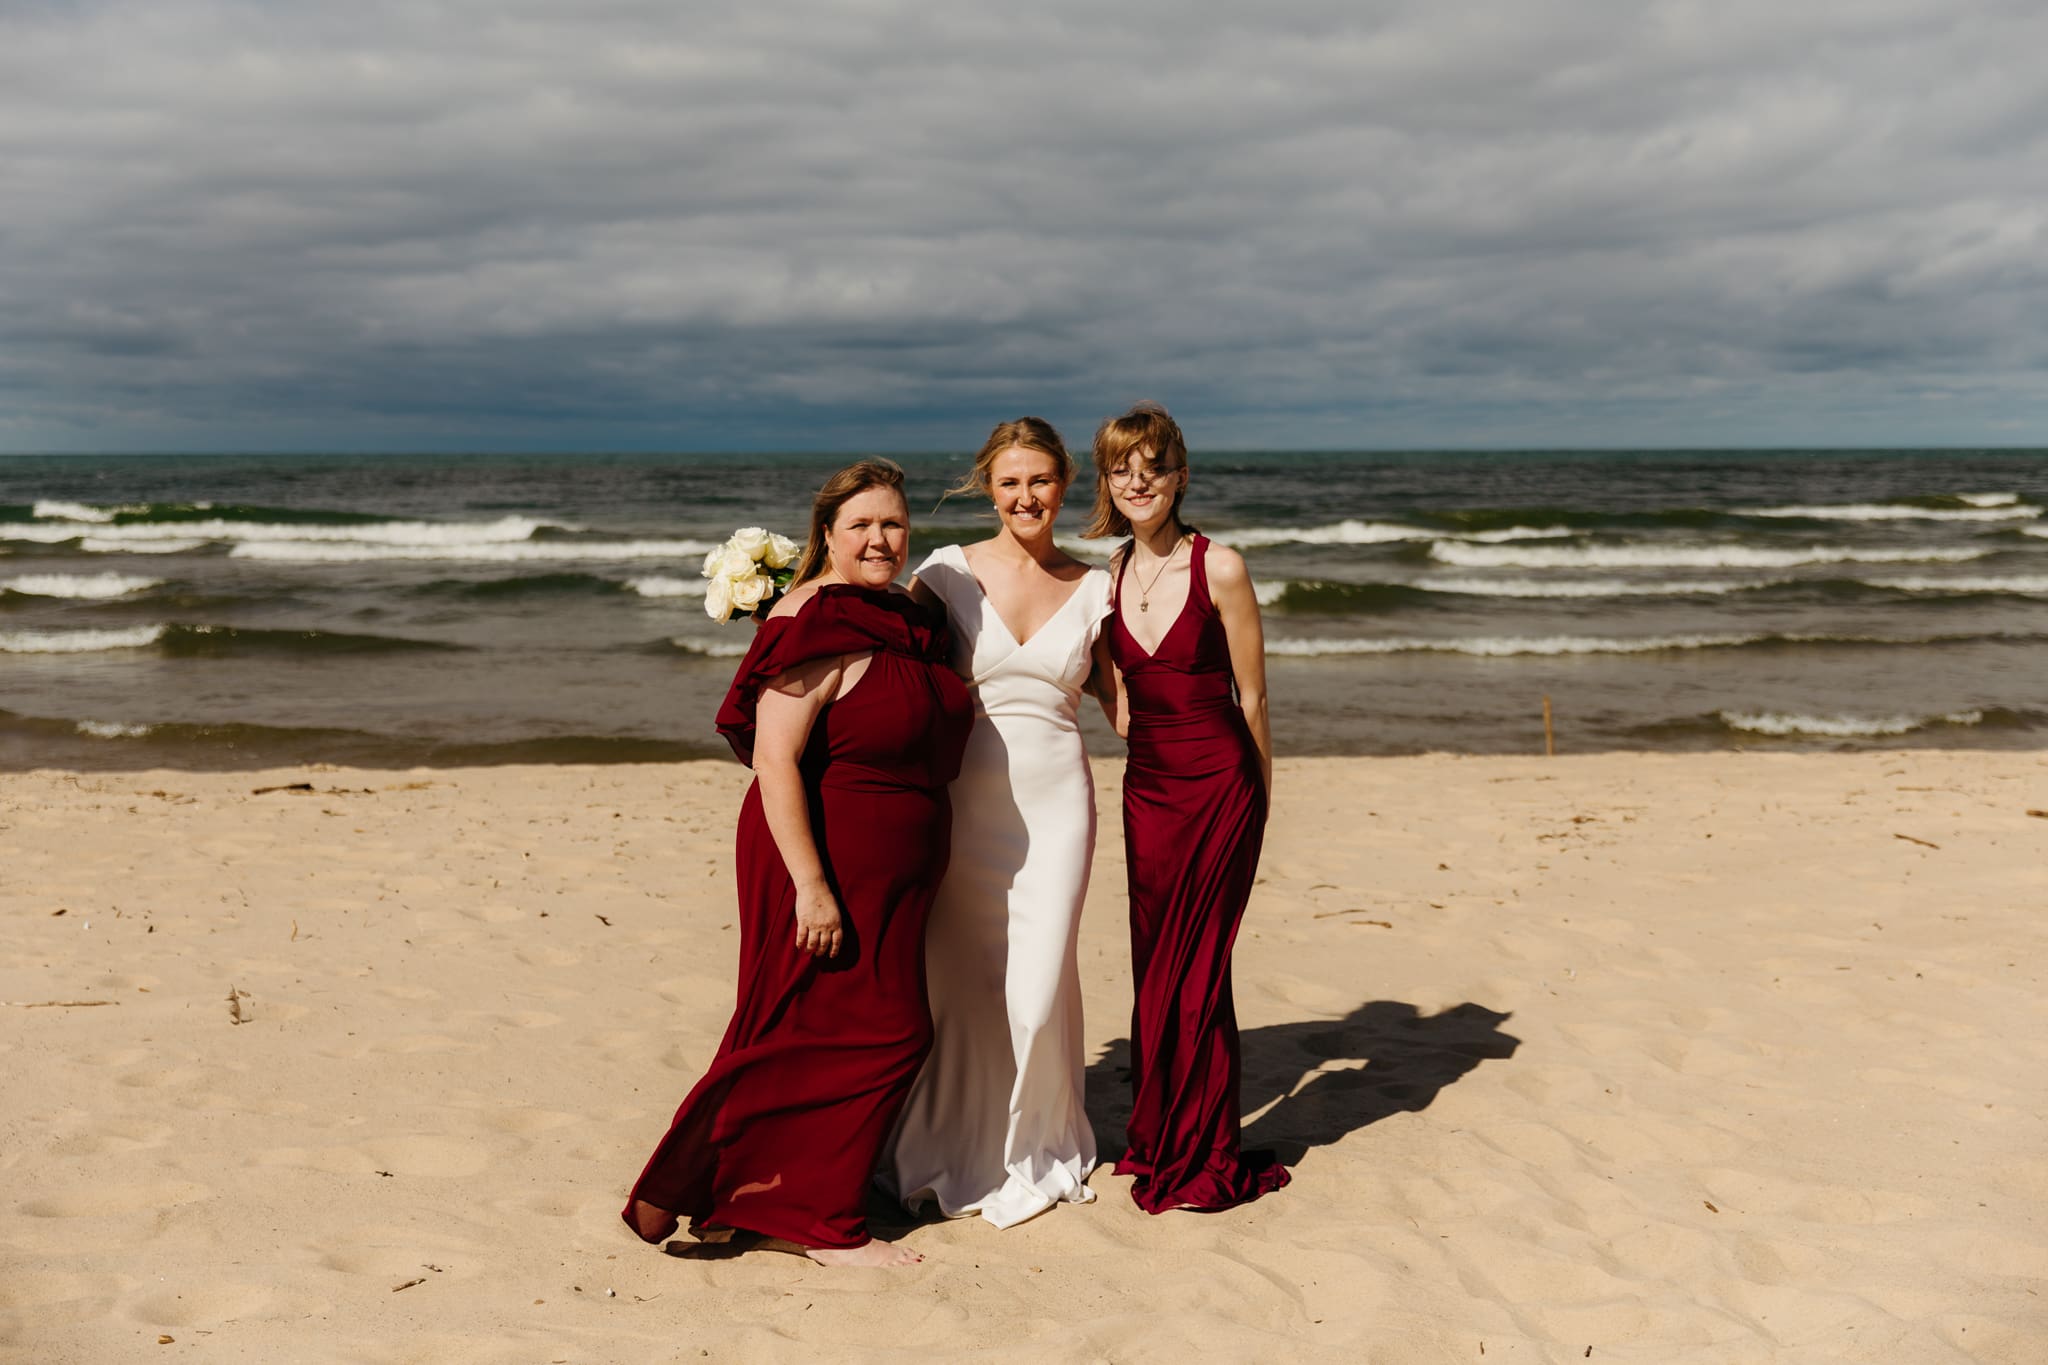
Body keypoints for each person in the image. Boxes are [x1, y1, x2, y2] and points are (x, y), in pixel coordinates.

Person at [621, 459, 973, 1266]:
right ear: (826, 535)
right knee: (883, 1033)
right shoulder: (814, 616)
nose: (880, 539)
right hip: (824, 856)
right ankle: (819, 1221)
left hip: (897, 867)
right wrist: (812, 888)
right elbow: (775, 760)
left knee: (809, 1027)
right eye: (861, 526)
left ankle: (737, 1194)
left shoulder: (906, 616)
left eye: (892, 524)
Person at [882, 418, 1115, 1228]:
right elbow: (883, 664)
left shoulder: (1096, 588)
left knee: (1038, 989)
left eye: (1041, 480)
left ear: (1066, 484)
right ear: (989, 486)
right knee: (965, 986)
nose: (1026, 497)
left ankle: (1035, 1146)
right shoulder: (944, 575)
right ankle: (962, 1141)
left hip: (1057, 811)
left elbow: (1127, 706)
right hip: (963, 806)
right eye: (1010, 482)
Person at [1086, 401, 1290, 1213]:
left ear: (1179, 474)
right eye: (1122, 468)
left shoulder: (1222, 566)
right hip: (1148, 791)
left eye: (1154, 466)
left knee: (1199, 971)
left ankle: (1205, 1152)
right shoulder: (1110, 574)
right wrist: (1126, 715)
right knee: (1154, 967)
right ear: (1107, 480)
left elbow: (1255, 696)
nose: (1139, 482)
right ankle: (1161, 1135)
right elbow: (1117, 691)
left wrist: (1261, 801)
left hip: (1219, 787)